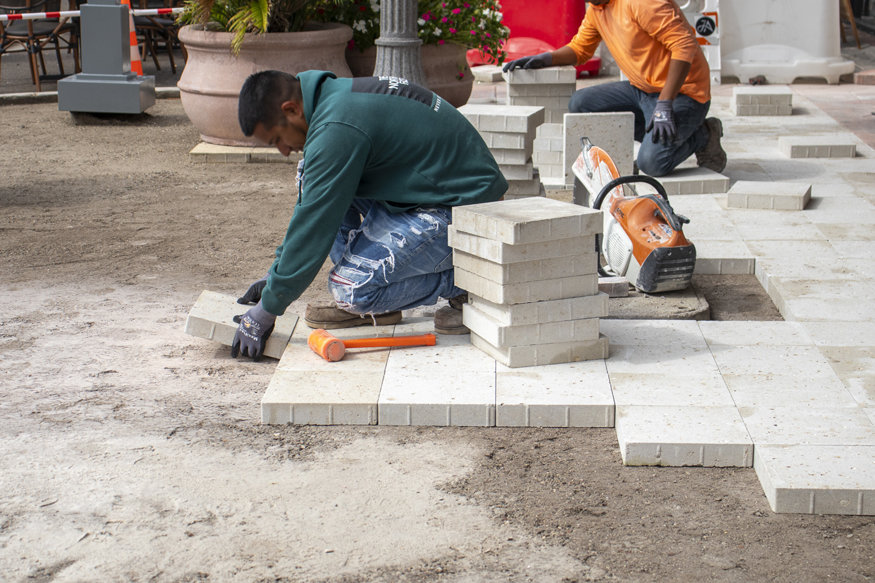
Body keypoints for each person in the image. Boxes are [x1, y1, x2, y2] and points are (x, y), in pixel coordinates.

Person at [230, 70, 508, 361]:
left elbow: (314, 226)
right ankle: (376, 298)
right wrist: (276, 273)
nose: (284, 150)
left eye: (277, 138)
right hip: (424, 191)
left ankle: (462, 281)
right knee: (309, 174)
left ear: (291, 109)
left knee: (350, 291)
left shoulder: (337, 126)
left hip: (464, 210)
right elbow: (312, 210)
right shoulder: (331, 100)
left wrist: (267, 310)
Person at [503, 0, 726, 178]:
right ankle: (657, 132)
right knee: (581, 104)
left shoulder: (642, 3)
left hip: (683, 93)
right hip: (642, 89)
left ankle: (703, 135)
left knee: (652, 164)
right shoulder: (597, 9)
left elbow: (684, 45)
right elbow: (581, 49)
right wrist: (546, 59)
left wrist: (665, 103)